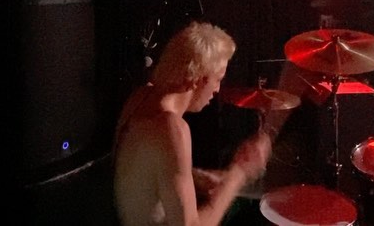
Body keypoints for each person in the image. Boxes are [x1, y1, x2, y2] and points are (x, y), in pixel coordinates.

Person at [113, 20, 272, 226]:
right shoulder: (172, 129)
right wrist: (237, 176)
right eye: (218, 79)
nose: (217, 89)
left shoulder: (139, 98)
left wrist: (194, 177)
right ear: (197, 78)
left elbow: (139, 175)